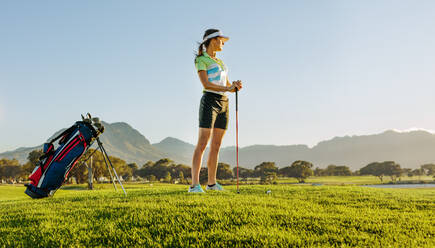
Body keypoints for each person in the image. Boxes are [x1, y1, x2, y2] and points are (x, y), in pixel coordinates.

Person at [189, 29, 243, 193]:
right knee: (203, 143)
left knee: (217, 145)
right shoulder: (201, 59)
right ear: (213, 40)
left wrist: (234, 87)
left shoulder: (221, 62)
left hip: (223, 103)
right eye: (221, 40)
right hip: (210, 101)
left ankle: (212, 184)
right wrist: (227, 87)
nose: (223, 43)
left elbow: (226, 85)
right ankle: (194, 185)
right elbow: (206, 84)